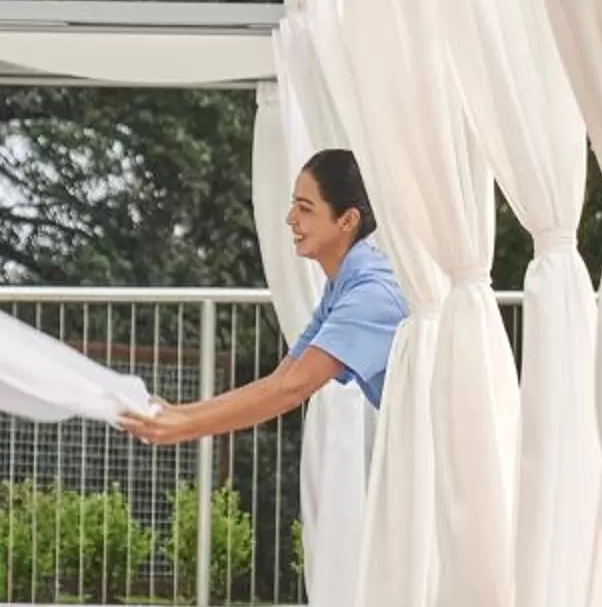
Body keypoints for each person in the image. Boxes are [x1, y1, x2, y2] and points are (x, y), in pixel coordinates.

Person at [118, 149, 402, 446]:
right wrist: (176, 414)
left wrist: (183, 427)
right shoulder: (344, 285)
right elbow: (282, 378)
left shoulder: (371, 294)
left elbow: (293, 388)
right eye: (294, 205)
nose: (291, 219)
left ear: (348, 220)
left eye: (305, 208)